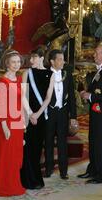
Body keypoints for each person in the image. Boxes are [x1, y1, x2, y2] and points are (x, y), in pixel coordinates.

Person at [31, 50, 78, 180]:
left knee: (63, 142)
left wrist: (73, 116)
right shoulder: (45, 74)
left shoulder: (66, 74)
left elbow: (72, 96)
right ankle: (49, 169)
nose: (63, 62)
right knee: (49, 141)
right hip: (49, 112)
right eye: (60, 59)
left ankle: (64, 171)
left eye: (63, 59)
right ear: (52, 61)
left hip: (62, 112)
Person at [78, 43, 102, 184]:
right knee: (94, 143)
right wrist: (86, 93)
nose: (94, 55)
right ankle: (93, 170)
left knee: (100, 145)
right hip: (96, 113)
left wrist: (89, 96)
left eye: (96, 53)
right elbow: (96, 89)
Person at [0, 50, 26, 197]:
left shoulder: (19, 80)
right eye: (13, 62)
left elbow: (20, 103)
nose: (16, 65)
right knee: (7, 155)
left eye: (18, 62)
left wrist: (23, 122)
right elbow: (1, 106)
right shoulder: (2, 81)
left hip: (17, 122)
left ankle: (15, 184)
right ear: (7, 64)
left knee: (16, 156)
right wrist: (4, 126)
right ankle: (5, 187)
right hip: (7, 122)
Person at [20, 47, 50, 189]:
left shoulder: (51, 74)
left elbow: (48, 98)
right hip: (28, 115)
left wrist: (37, 114)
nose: (31, 60)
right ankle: (26, 179)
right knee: (28, 148)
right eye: (31, 58)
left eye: (34, 58)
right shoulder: (27, 73)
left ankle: (36, 178)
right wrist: (31, 113)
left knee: (38, 148)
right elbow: (23, 95)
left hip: (41, 116)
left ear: (41, 58)